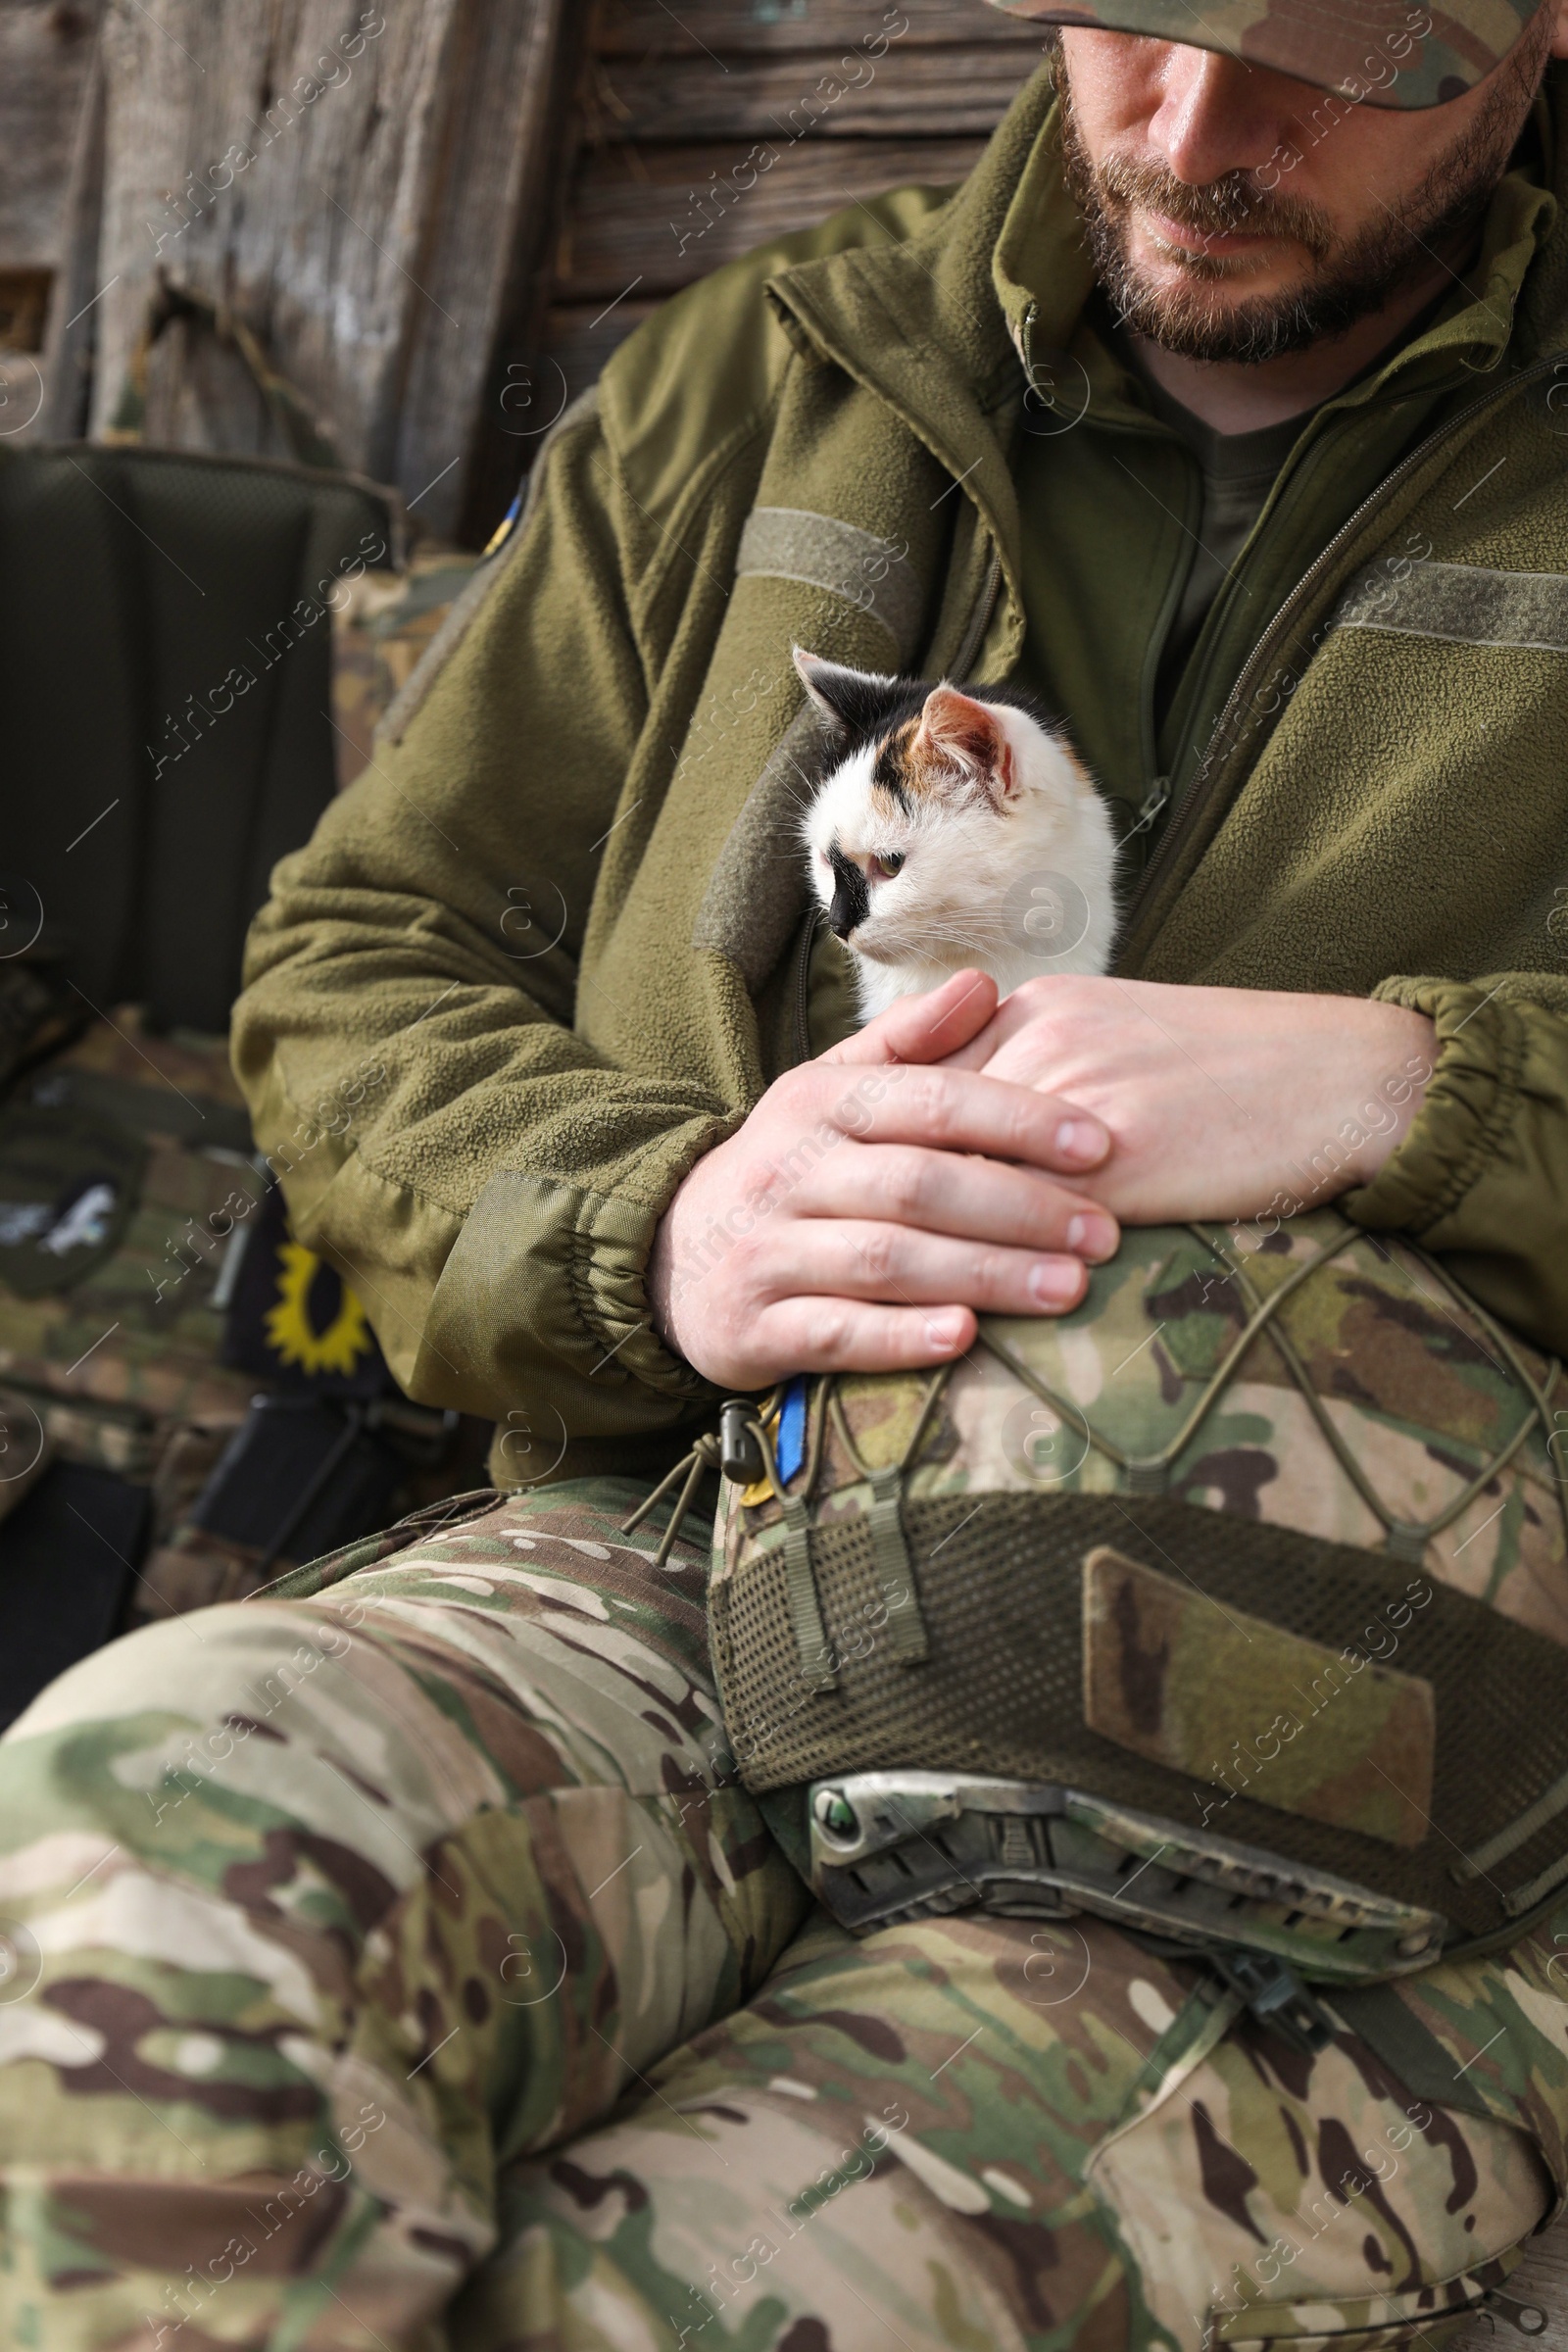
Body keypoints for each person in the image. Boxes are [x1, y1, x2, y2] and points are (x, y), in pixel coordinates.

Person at [6, 0, 1568, 2341]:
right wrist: (658, 1228)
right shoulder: (781, 367)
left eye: (1335, 53)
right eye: (1135, 19)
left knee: (712, 2279)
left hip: (1380, 1739)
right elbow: (363, 955)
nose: (1191, 131)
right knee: (132, 1855)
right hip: (685, 1554)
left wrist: (1411, 1086)